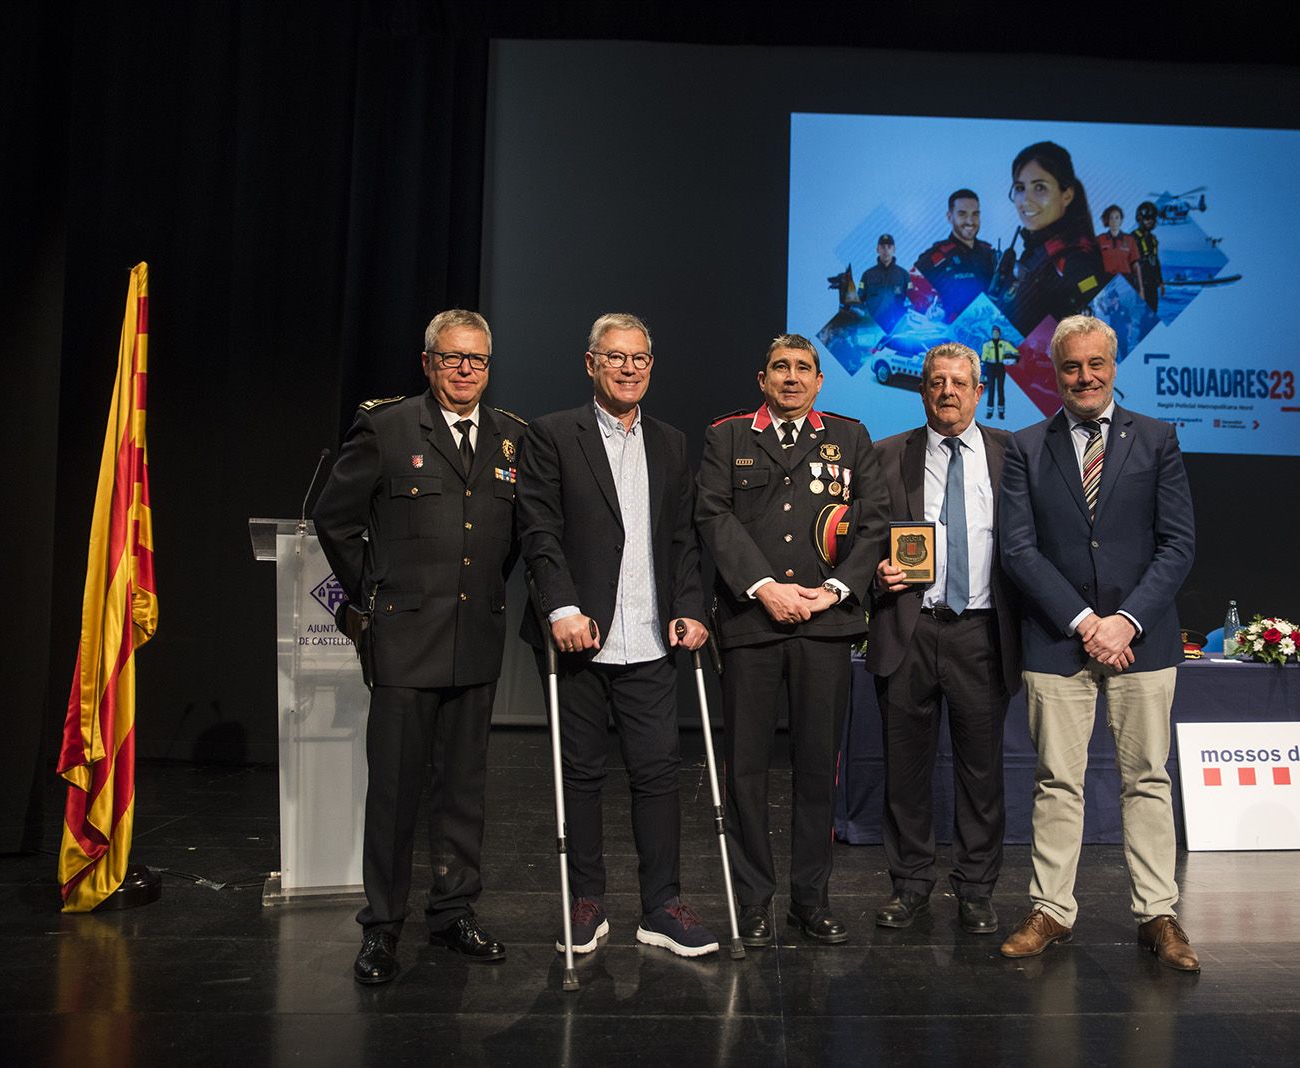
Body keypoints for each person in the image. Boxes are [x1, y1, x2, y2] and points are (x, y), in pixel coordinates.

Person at [314, 309, 525, 984]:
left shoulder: (511, 438)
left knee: (463, 792)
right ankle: (381, 928)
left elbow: (510, 542)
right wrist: (372, 595)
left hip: (475, 642)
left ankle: (453, 912)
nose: (466, 371)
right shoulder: (387, 426)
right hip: (405, 640)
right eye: (452, 358)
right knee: (397, 793)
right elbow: (335, 518)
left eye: (478, 360)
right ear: (428, 363)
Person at [996, 315, 1200, 972]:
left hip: (1144, 642)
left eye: (1096, 364)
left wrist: (1126, 621)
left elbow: (1177, 544)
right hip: (1058, 643)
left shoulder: (1159, 438)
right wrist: (1086, 621)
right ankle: (1051, 910)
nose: (1084, 377)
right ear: (1055, 374)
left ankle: (1158, 915)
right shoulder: (1026, 446)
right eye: (1071, 367)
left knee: (1147, 779)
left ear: (1114, 365)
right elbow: (1019, 550)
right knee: (1057, 782)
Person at [516, 312, 719, 959]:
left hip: (652, 639)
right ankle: (587, 901)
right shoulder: (552, 434)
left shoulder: (671, 442)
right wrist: (562, 608)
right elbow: (540, 530)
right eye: (615, 358)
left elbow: (683, 539)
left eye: (639, 359)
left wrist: (692, 606)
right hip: (583, 637)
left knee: (658, 774)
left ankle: (662, 905)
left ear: (650, 367)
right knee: (581, 774)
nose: (628, 368)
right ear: (591, 364)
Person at [695, 334, 890, 946]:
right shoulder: (726, 436)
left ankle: (812, 899)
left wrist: (833, 590)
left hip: (825, 624)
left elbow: (874, 522)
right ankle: (752, 901)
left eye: (804, 368)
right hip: (752, 622)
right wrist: (760, 585)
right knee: (746, 769)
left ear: (819, 382)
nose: (792, 377)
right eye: (780, 368)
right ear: (762, 378)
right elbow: (713, 515)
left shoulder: (851, 437)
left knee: (815, 769)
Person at [868, 342, 1021, 936]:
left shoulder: (1014, 457)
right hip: (909, 629)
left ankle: (977, 889)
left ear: (979, 392)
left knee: (981, 774)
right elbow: (865, 542)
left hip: (981, 633)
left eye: (960, 382)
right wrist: (877, 572)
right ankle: (909, 885)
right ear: (923, 389)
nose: (948, 392)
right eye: (937, 382)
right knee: (905, 770)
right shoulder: (885, 456)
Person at [988, 141, 1108, 336]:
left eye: (1040, 188)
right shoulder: (1036, 250)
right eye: (1020, 188)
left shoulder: (1075, 260)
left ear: (1067, 195)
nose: (1026, 200)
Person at [914, 190, 997, 322]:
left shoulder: (992, 255)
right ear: (949, 216)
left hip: (992, 335)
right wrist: (931, 309)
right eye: (962, 214)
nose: (970, 221)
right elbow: (911, 289)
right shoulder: (936, 256)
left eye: (975, 214)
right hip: (951, 338)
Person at [859, 234, 912, 332]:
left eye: (889, 247)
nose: (886, 250)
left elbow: (912, 301)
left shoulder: (903, 275)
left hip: (897, 330)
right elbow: (859, 301)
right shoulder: (867, 275)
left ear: (894, 249)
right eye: (883, 247)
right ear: (877, 249)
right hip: (873, 330)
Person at [1097, 205, 1141, 290]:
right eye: (1111, 218)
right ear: (1107, 220)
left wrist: (1141, 289)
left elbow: (1136, 266)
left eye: (1117, 218)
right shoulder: (1100, 240)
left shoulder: (1130, 240)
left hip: (1125, 283)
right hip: (1107, 282)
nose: (1114, 221)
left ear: (1121, 220)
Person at [1131, 201, 1164, 314]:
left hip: (1152, 284)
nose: (1150, 222)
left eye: (1152, 219)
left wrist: (1160, 281)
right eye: (1147, 218)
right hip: (1138, 285)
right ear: (1140, 219)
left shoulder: (1153, 240)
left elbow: (1155, 261)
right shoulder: (1132, 238)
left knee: (1152, 314)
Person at [979, 325, 1018, 420]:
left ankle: (1001, 412)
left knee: (1000, 389)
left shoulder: (1004, 344)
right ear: (992, 334)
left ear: (999, 334)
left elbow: (1015, 351)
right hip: (991, 367)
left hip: (1000, 367)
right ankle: (990, 411)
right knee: (991, 389)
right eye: (994, 333)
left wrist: (1013, 357)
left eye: (997, 333)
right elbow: (984, 358)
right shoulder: (987, 345)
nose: (995, 334)